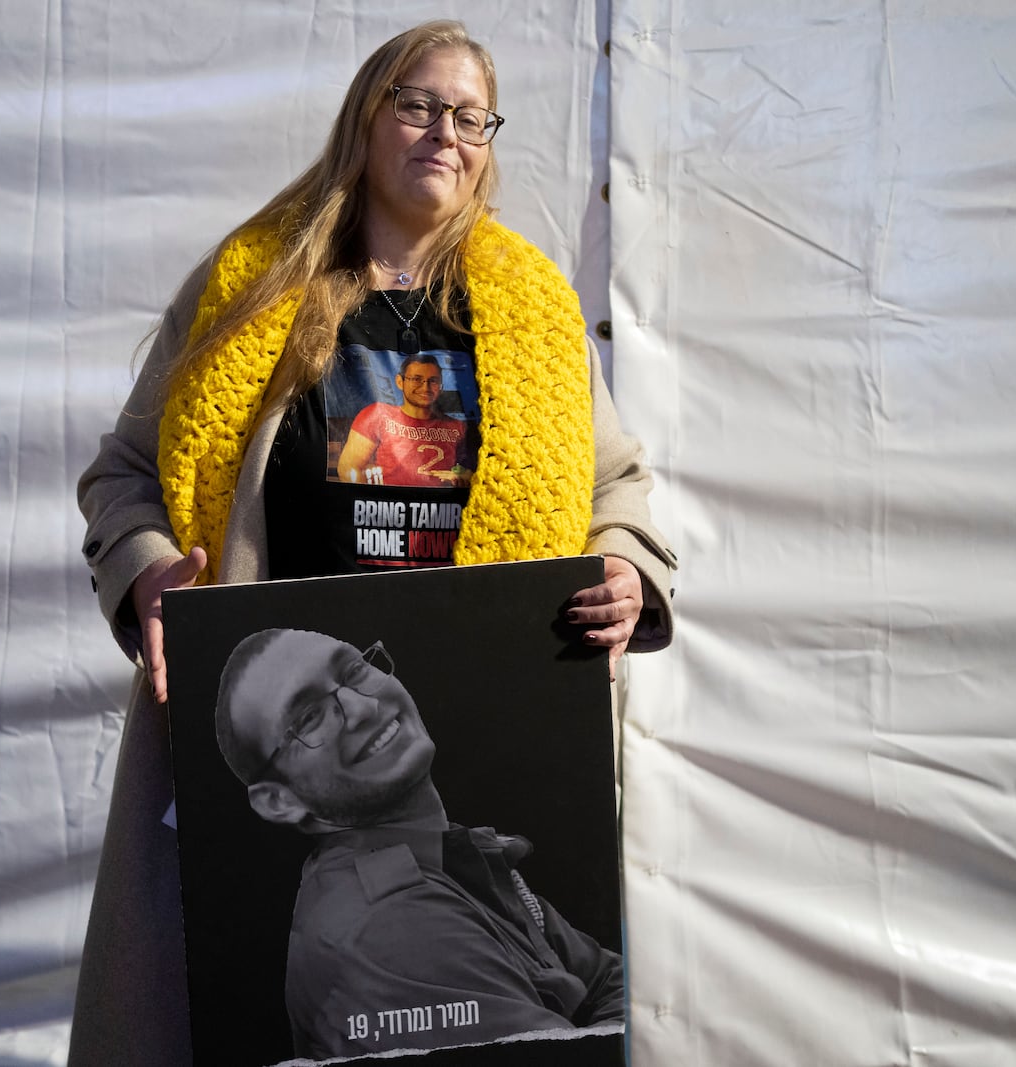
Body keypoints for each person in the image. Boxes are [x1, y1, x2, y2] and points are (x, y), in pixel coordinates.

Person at [71, 19, 676, 1064]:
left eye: (470, 114)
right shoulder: (251, 284)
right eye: (418, 104)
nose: (445, 130)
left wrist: (624, 564)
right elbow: (123, 472)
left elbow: (613, 487)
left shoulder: (534, 312)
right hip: (280, 730)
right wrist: (146, 571)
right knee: (228, 1008)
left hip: (476, 712)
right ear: (366, 119)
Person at [216, 628, 624, 1060]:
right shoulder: (388, 927)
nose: (363, 706)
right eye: (309, 718)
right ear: (279, 801)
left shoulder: (448, 855)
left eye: (355, 670)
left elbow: (610, 980)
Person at [336, 353, 475, 487]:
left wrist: (466, 478)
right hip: (388, 506)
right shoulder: (378, 414)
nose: (425, 387)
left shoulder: (458, 426)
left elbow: (473, 471)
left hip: (440, 507)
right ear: (399, 382)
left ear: (440, 386)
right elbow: (348, 467)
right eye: (416, 379)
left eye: (433, 381)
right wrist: (375, 502)